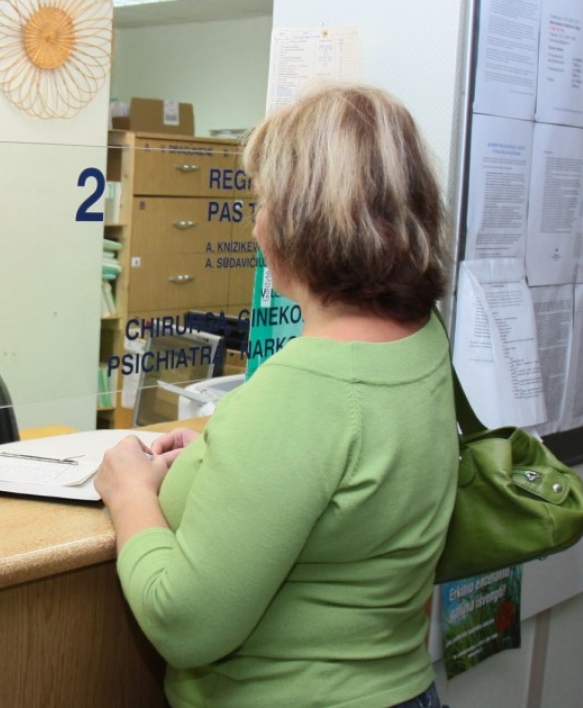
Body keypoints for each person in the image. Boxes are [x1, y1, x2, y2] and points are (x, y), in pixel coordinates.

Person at [95, 83, 457, 708]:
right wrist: (219, 452)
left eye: (262, 202)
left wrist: (129, 493)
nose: (256, 224)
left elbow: (183, 622)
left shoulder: (306, 389)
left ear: (303, 219)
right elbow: (348, 465)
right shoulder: (421, 341)